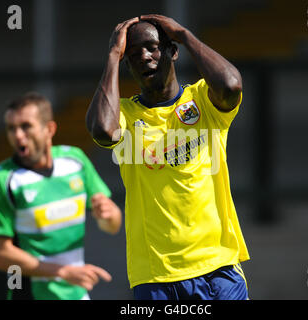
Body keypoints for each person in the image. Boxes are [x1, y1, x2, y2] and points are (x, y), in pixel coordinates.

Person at [86, 14, 250, 300]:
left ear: (172, 52)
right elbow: (102, 130)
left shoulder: (202, 100)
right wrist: (113, 56)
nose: (145, 57)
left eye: (153, 47)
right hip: (155, 276)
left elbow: (231, 85)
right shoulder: (125, 115)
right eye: (134, 54)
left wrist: (185, 35)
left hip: (218, 266)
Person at [0, 92, 122, 300]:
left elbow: (112, 225)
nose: (18, 135)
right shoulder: (1, 180)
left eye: (26, 126)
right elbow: (0, 255)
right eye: (11, 128)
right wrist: (62, 272)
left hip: (76, 293)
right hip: (27, 293)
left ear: (49, 129)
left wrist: (108, 215)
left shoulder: (75, 160)